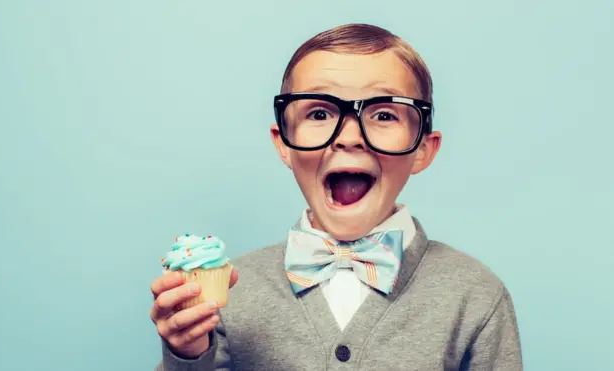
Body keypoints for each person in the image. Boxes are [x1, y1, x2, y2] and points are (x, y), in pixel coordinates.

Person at [150, 23, 523, 371]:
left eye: (384, 115)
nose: (348, 136)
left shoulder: (476, 295)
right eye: (319, 112)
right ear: (284, 145)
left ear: (423, 148)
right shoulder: (231, 294)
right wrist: (187, 354)